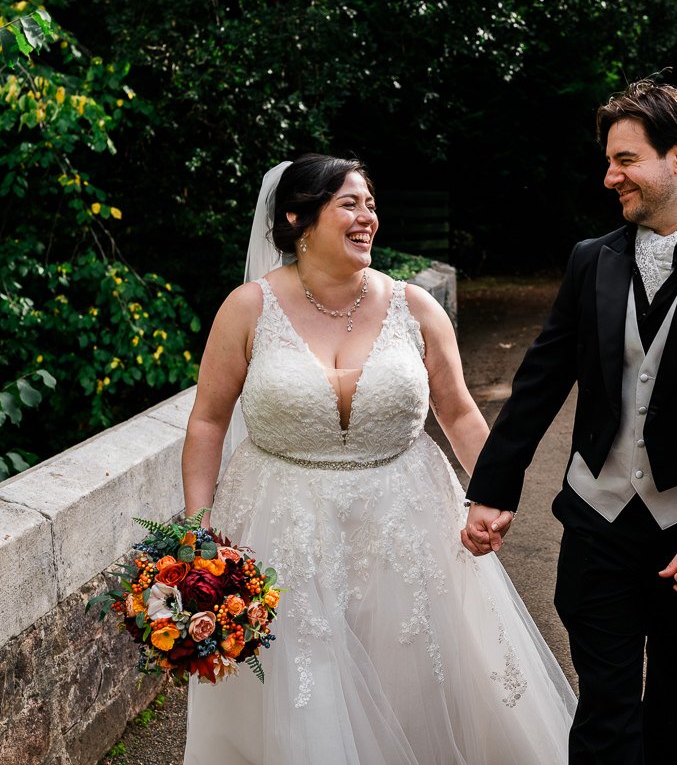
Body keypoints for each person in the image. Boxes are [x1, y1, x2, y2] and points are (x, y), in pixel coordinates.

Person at [180, 153, 575, 764]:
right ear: (297, 218)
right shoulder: (247, 309)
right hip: (279, 524)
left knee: (412, 681)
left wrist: (495, 492)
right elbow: (207, 421)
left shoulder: (415, 308)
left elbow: (461, 413)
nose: (368, 216)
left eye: (370, 204)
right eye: (349, 203)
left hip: (405, 526)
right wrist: (197, 533)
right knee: (302, 691)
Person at [461, 81, 677, 765]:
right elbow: (538, 381)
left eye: (625, 159)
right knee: (606, 704)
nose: (609, 175)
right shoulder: (592, 259)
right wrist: (492, 487)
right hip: (598, 519)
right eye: (609, 160)